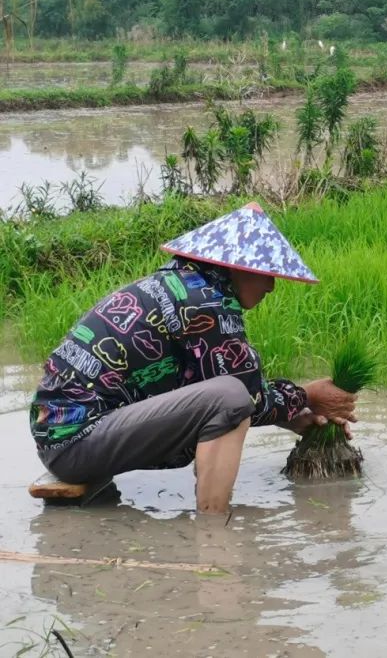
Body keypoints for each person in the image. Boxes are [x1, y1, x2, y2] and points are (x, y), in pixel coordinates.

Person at [28, 202, 357, 514]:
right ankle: (213, 528)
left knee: (230, 395)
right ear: (235, 267)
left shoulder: (184, 286)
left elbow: (226, 394)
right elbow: (241, 397)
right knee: (230, 396)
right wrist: (308, 395)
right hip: (76, 443)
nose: (271, 286)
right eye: (265, 273)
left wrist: (295, 413)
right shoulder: (205, 302)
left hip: (68, 436)